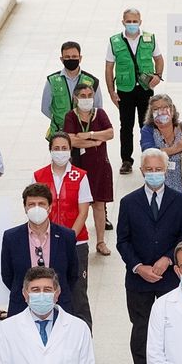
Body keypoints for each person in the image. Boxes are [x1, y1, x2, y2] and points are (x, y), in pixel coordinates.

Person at [116, 148, 182, 364]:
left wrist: (167, 259)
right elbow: (122, 241)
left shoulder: (180, 201)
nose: (153, 173)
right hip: (138, 280)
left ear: (165, 170)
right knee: (141, 329)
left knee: (173, 328)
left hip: (169, 278)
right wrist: (139, 267)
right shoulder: (128, 203)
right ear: (141, 172)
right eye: (148, 170)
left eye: (157, 169)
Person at [33, 133, 94, 324]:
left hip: (76, 243)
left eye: (64, 148)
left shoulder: (80, 176)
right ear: (50, 150)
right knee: (49, 290)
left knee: (78, 294)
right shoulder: (39, 175)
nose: (60, 152)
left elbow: (83, 213)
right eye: (56, 148)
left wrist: (68, 239)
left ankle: (84, 338)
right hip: (45, 242)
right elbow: (35, 208)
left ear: (70, 150)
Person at [1, 182, 81, 319]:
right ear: (25, 208)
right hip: (21, 307)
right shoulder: (11, 237)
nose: (36, 208)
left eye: (41, 204)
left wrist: (53, 293)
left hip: (60, 306)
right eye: (31, 204)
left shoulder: (66, 236)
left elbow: (72, 274)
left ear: (49, 207)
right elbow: (8, 275)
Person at [104, 8, 164, 174]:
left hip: (145, 89)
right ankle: (126, 160)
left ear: (140, 22)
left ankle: (149, 158)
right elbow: (109, 67)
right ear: (123, 22)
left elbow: (158, 59)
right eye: (128, 21)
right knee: (126, 126)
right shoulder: (114, 41)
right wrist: (111, 92)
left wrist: (158, 75)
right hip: (125, 89)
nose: (132, 24)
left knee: (147, 125)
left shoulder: (149, 38)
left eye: (134, 21)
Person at [64, 79, 116, 257]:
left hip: (100, 166)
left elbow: (110, 133)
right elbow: (70, 139)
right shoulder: (71, 116)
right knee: (78, 206)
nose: (87, 99)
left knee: (99, 204)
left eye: (90, 95)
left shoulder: (99, 113)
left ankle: (100, 242)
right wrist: (95, 141)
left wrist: (89, 134)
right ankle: (75, 239)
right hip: (79, 167)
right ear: (76, 98)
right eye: (83, 96)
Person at [41, 39, 100, 137]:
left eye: (74, 57)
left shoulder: (91, 81)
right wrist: (59, 121)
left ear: (80, 58)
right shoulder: (52, 81)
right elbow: (45, 108)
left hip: (84, 133)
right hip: (59, 134)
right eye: (67, 57)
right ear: (61, 59)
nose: (71, 59)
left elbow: (98, 107)